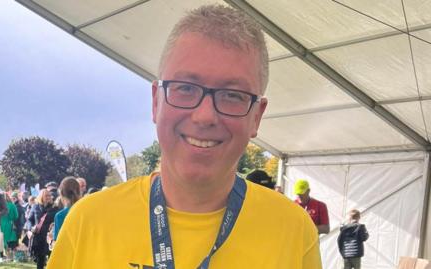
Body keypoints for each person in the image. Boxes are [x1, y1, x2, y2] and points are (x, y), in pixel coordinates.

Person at [48, 4, 321, 268]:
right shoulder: (87, 222)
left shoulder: (294, 231)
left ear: (257, 116)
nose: (205, 116)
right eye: (185, 88)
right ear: (156, 101)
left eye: (232, 95)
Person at [28, 189, 56, 269]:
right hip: (38, 236)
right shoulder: (35, 207)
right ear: (41, 196)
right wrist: (31, 228)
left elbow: (57, 220)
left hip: (49, 236)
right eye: (46, 195)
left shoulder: (54, 207)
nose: (48, 197)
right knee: (40, 258)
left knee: (51, 257)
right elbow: (30, 220)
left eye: (49, 195)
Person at [53, 177, 80, 241]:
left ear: (61, 193)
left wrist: (50, 241)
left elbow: (59, 244)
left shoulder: (60, 215)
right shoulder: (88, 210)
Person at [0, 192, 19, 261]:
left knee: (1, 239)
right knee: (10, 239)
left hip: (0, 224)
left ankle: (2, 256)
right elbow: (16, 216)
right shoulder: (12, 205)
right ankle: (10, 256)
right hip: (9, 223)